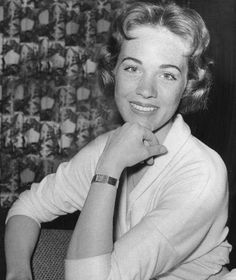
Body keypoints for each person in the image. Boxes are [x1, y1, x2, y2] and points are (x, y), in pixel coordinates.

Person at [4, 1, 233, 279]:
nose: (145, 90)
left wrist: (109, 167)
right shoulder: (111, 144)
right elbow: (27, 206)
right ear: (114, 71)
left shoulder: (202, 175)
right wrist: (18, 273)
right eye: (132, 69)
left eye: (167, 75)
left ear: (188, 86)